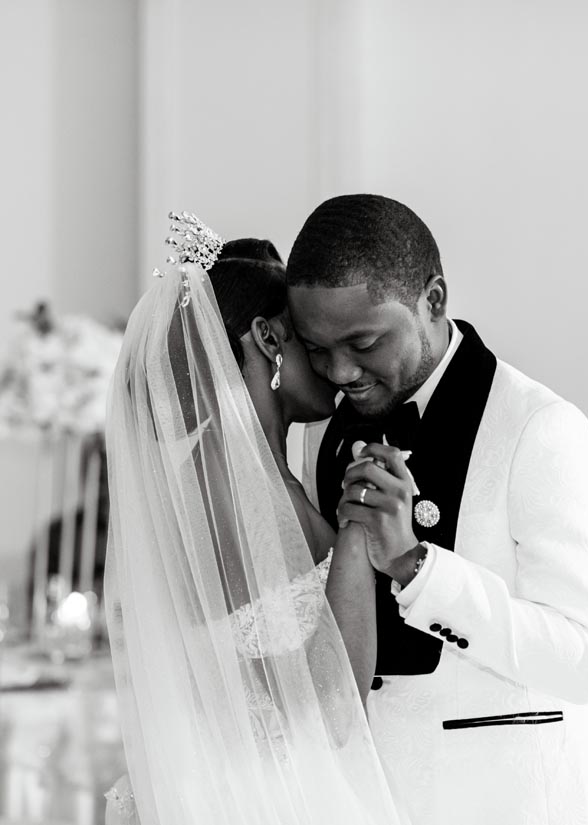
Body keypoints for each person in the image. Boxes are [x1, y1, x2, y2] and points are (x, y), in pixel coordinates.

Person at [287, 194, 588, 825]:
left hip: (507, 802)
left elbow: (583, 659)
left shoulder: (539, 427)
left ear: (434, 300)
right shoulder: (322, 431)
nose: (339, 370)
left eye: (362, 341)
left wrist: (417, 567)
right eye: (316, 348)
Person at [104, 213, 410, 824]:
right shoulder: (219, 487)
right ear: (268, 340)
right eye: (311, 342)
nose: (334, 367)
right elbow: (330, 708)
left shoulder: (263, 475)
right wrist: (357, 534)